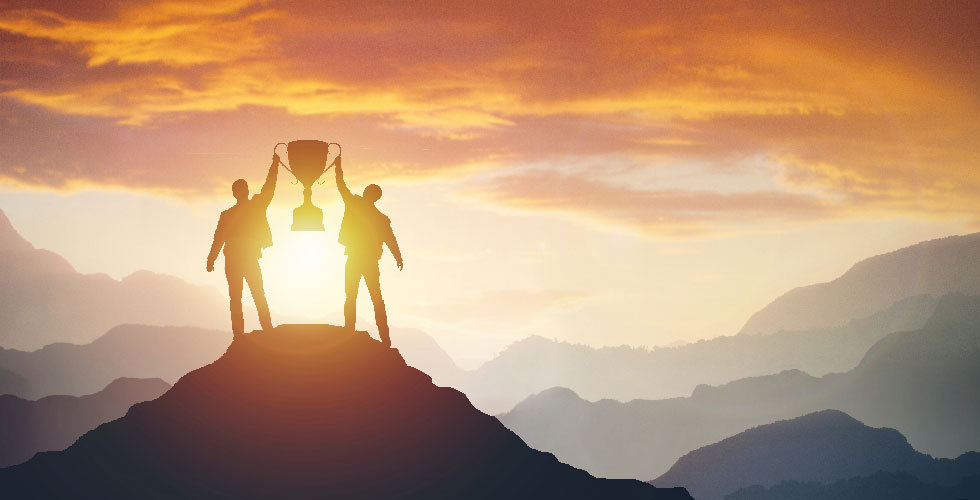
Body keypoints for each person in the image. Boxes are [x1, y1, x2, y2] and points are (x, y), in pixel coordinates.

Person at [207, 154, 279, 336]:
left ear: (235, 193)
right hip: (245, 257)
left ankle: (240, 334)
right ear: (245, 191)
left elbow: (218, 239)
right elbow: (269, 188)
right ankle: (266, 329)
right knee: (256, 293)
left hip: (233, 258)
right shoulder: (254, 207)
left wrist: (211, 259)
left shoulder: (228, 214)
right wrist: (275, 165)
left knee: (237, 296)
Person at [334, 156, 403, 347]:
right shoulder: (381, 218)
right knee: (375, 298)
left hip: (356, 257)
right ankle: (385, 338)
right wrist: (398, 257)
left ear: (369, 194)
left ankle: (350, 331)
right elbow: (391, 240)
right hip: (369, 260)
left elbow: (341, 187)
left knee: (352, 295)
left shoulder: (355, 204)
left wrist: (338, 168)